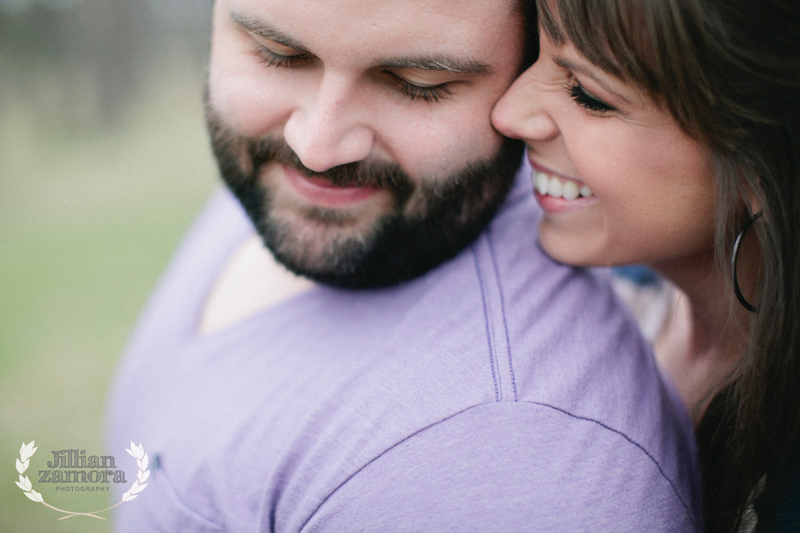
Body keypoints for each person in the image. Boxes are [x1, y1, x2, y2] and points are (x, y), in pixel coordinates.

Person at [107, 0, 701, 530]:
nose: (317, 146)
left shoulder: (518, 460)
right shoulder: (295, 187)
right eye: (277, 55)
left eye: (417, 84)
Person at [491, 0, 800, 530]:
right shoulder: (621, 277)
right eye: (531, 53)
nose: (506, 112)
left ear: (768, 162)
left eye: (587, 93)